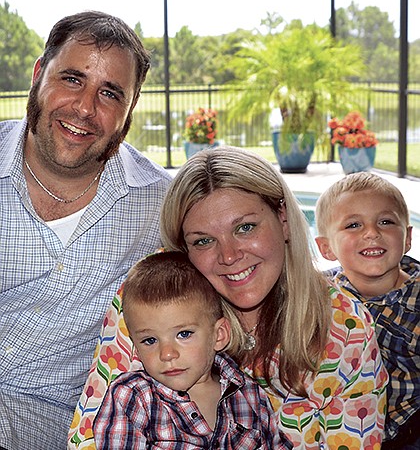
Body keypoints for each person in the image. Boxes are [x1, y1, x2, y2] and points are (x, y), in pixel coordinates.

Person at [72, 146, 388, 449]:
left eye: (245, 228)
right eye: (203, 241)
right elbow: (88, 438)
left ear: (283, 219)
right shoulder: (155, 295)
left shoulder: (345, 326)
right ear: (183, 249)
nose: (229, 255)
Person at [0, 11, 172, 450]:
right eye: (72, 79)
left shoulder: (160, 203)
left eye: (110, 93)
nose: (84, 108)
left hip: (50, 424)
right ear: (38, 75)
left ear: (130, 110)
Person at [93, 250, 289, 449]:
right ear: (135, 345)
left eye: (184, 334)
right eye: (150, 340)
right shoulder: (133, 398)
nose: (167, 354)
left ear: (219, 335)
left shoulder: (250, 395)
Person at [314, 172, 420, 449]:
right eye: (353, 225)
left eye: (386, 221)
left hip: (409, 427)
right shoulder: (322, 294)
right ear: (326, 248)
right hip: (344, 429)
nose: (372, 233)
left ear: (407, 238)